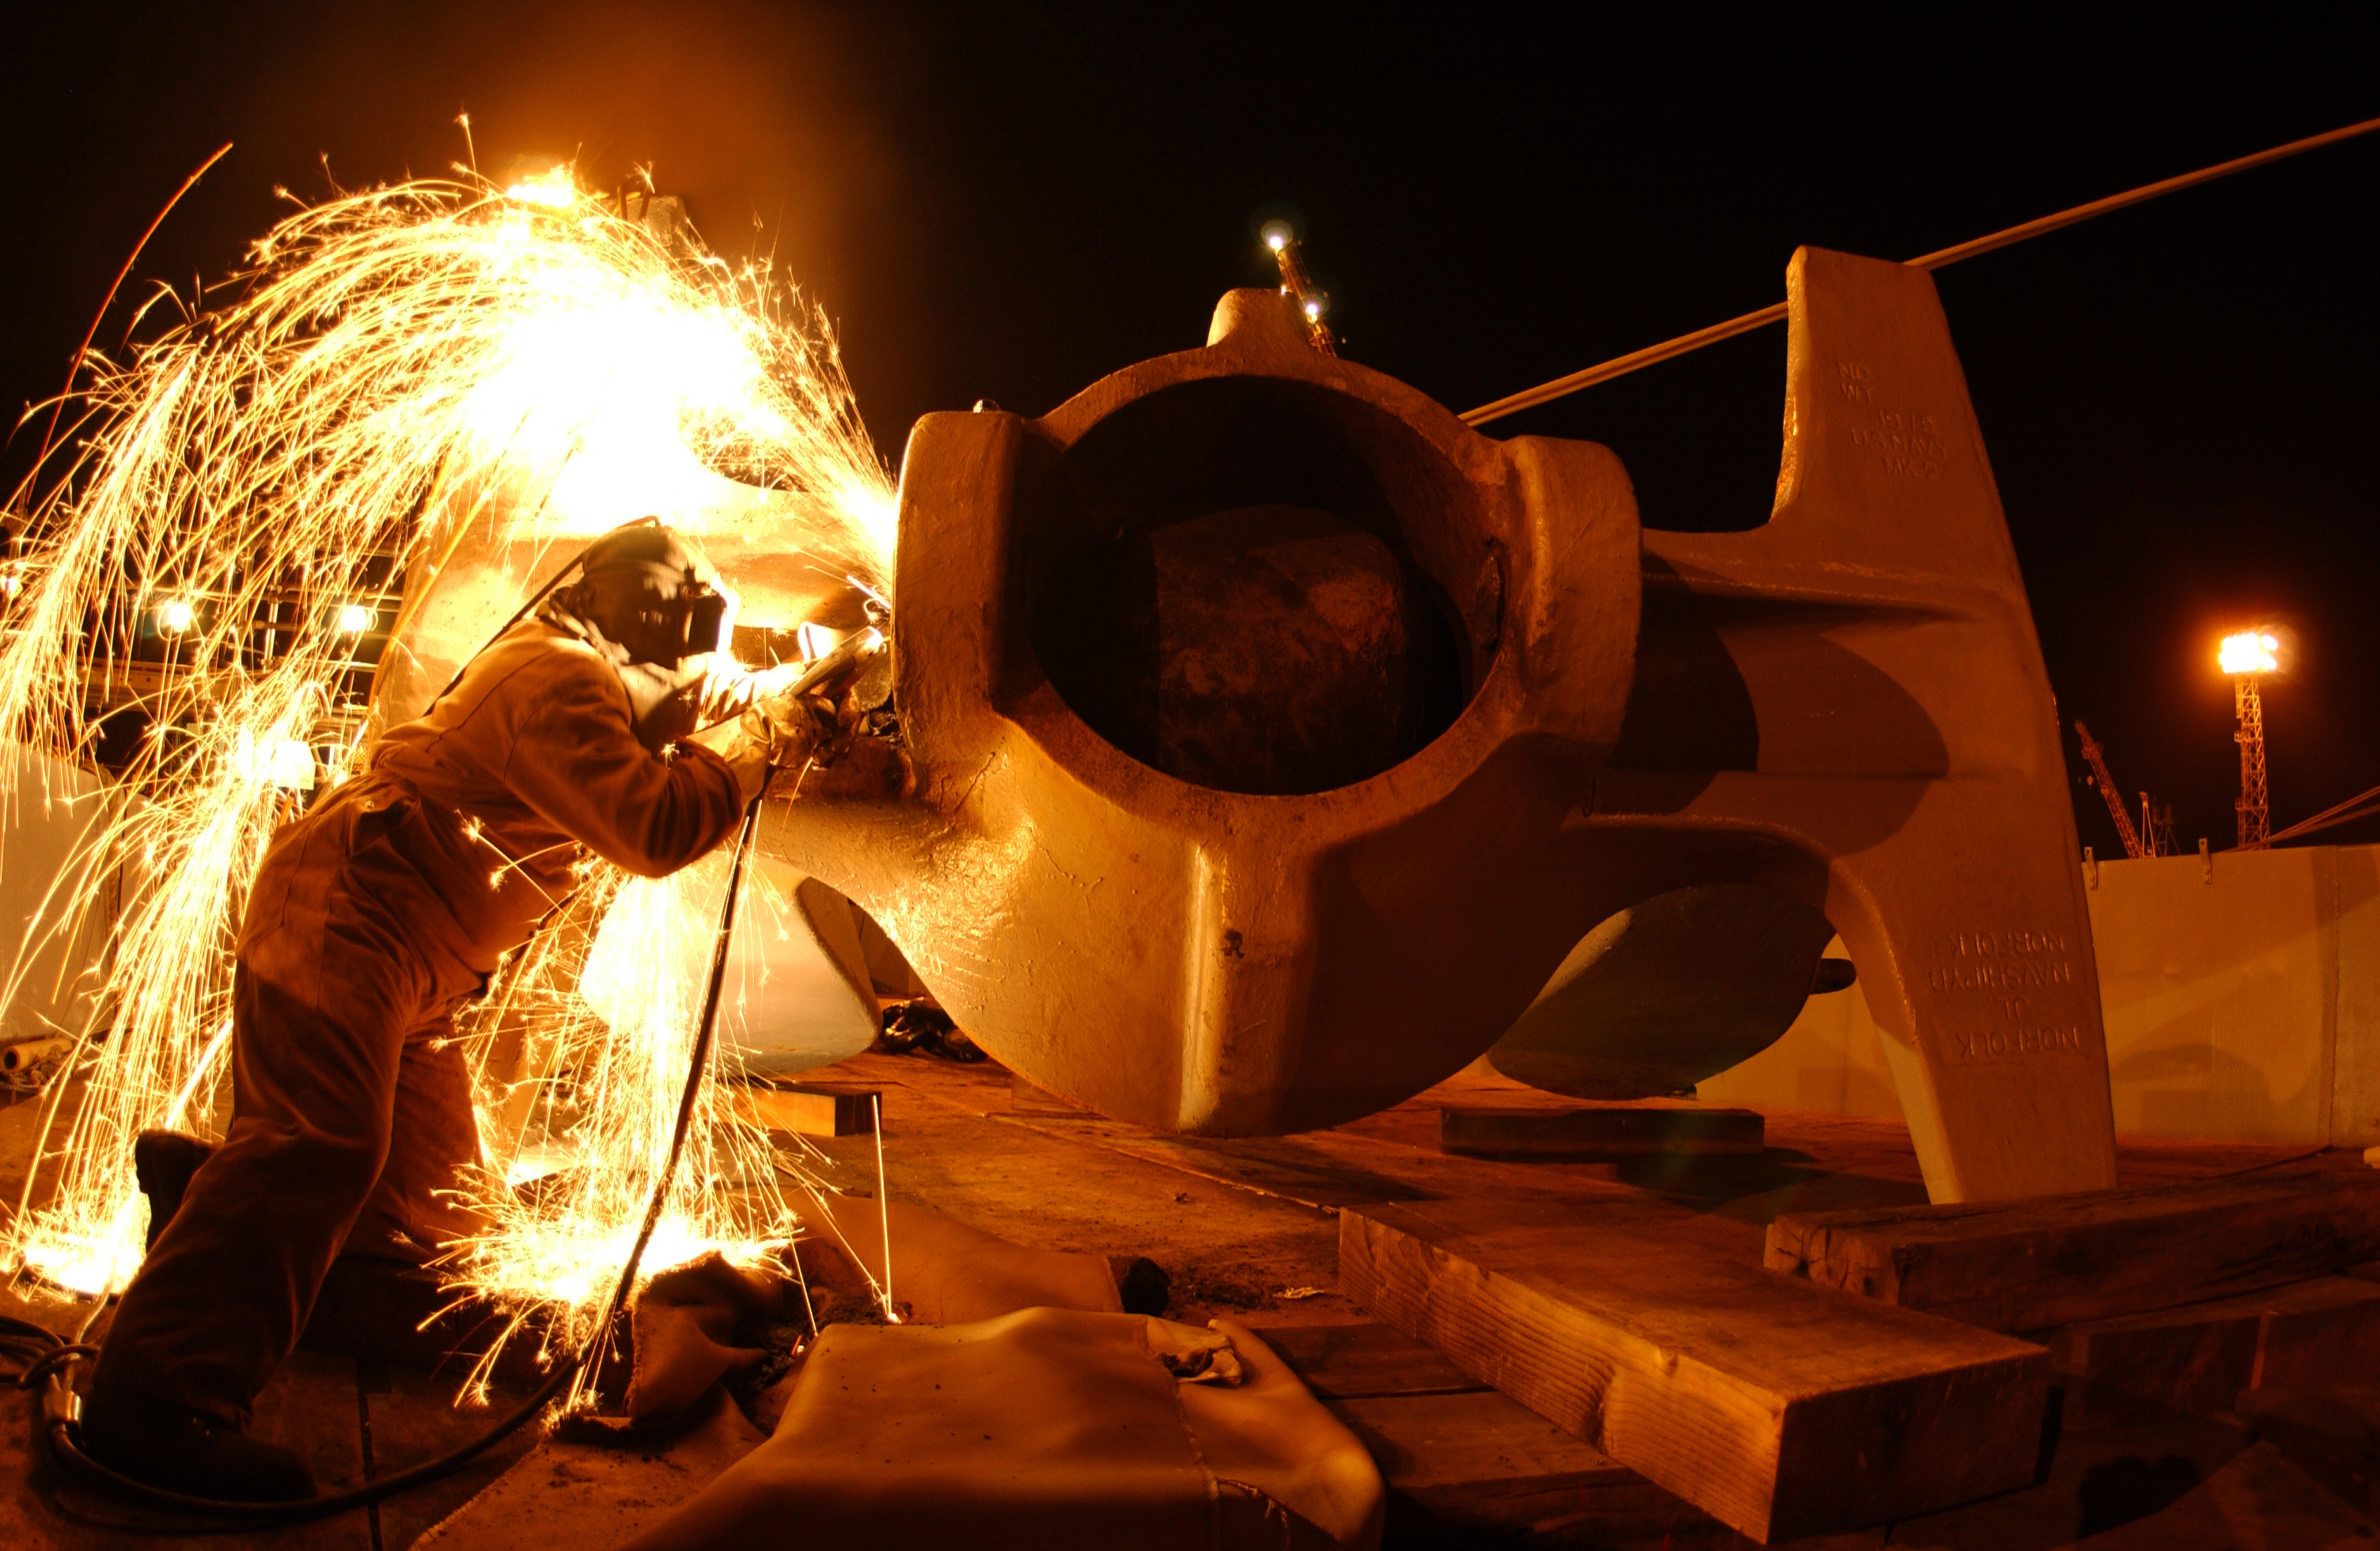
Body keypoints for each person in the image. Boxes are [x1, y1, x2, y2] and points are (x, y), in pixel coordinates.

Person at [79, 522, 822, 1500]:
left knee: (448, 1233)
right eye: (690, 653)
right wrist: (767, 739)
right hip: (346, 919)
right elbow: (657, 823)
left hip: (412, 968)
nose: (695, 680)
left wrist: (773, 701)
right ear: (637, 630)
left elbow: (669, 742)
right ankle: (153, 1402)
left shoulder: (587, 683)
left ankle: (202, 1206)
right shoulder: (554, 677)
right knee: (320, 1144)